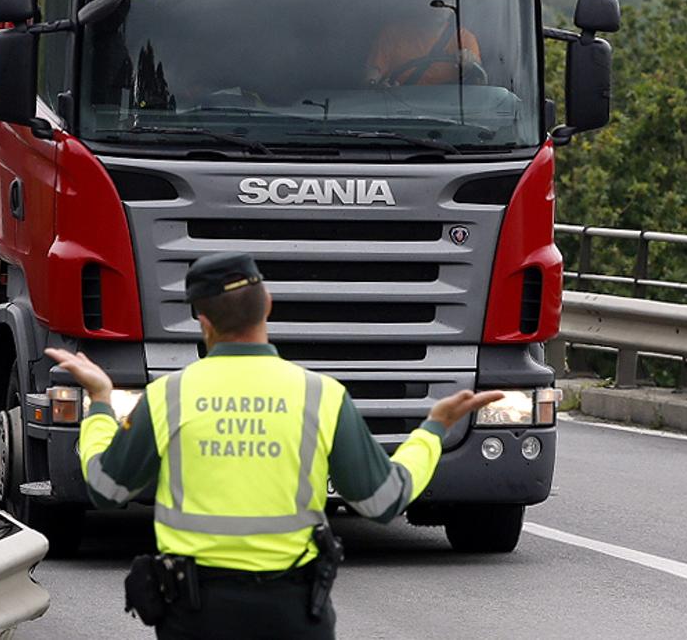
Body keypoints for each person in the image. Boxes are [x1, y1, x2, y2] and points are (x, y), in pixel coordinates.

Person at [46, 252, 503, 640]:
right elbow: (384, 501)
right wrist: (432, 429)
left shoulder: (168, 396)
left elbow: (107, 490)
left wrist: (102, 403)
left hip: (196, 614)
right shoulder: (321, 395)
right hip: (293, 613)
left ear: (201, 319)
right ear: (268, 304)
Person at [365, 6, 483, 87]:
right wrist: (376, 87)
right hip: (398, 106)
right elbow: (371, 77)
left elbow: (479, 80)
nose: (438, 8)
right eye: (431, 0)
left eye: (443, 1)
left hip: (451, 109)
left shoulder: (464, 39)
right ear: (420, 4)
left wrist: (470, 62)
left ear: (452, 6)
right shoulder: (393, 33)